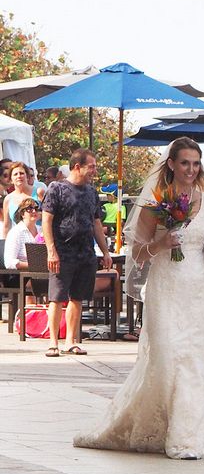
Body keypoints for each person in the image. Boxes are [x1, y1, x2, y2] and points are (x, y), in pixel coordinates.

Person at [74, 137, 204, 460]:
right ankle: (163, 421)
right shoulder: (157, 202)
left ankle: (191, 434)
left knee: (196, 357)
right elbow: (137, 252)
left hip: (199, 285)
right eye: (185, 163)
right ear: (171, 164)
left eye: (196, 164)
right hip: (166, 284)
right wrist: (162, 243)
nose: (191, 169)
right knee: (167, 354)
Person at [41, 148, 112, 358]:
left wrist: (105, 251)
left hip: (86, 253)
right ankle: (53, 341)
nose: (94, 171)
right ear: (77, 166)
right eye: (91, 166)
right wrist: (51, 250)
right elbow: (47, 220)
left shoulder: (91, 192)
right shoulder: (56, 188)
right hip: (62, 252)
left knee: (77, 298)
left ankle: (71, 340)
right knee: (56, 297)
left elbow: (96, 222)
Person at [2, 162, 40, 238]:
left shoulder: (39, 192)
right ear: (11, 179)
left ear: (27, 177)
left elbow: (49, 217)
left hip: (40, 238)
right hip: (18, 240)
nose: (19, 176)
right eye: (15, 174)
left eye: (21, 173)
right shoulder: (8, 199)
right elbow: (7, 226)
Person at [4, 197, 40, 269]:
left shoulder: (42, 230)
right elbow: (9, 263)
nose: (34, 211)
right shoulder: (15, 232)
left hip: (43, 274)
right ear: (22, 214)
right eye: (29, 209)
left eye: (36, 208)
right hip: (21, 276)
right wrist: (34, 266)